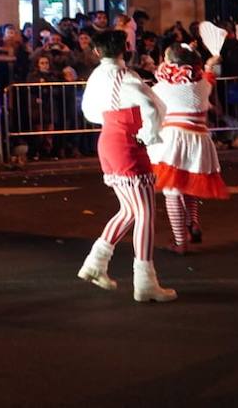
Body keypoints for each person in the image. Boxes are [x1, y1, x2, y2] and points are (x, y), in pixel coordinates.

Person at [76, 29, 177, 303]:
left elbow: (88, 111)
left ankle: (96, 263)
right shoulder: (125, 76)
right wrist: (149, 133)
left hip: (109, 140)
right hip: (127, 143)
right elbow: (152, 106)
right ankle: (145, 280)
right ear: (125, 48)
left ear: (97, 52)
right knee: (144, 213)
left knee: (130, 210)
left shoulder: (97, 76)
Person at [147, 44, 229, 255]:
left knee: (172, 191)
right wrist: (211, 64)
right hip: (200, 137)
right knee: (189, 183)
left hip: (174, 137)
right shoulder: (202, 84)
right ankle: (193, 223)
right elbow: (209, 76)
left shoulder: (161, 88)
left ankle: (180, 241)